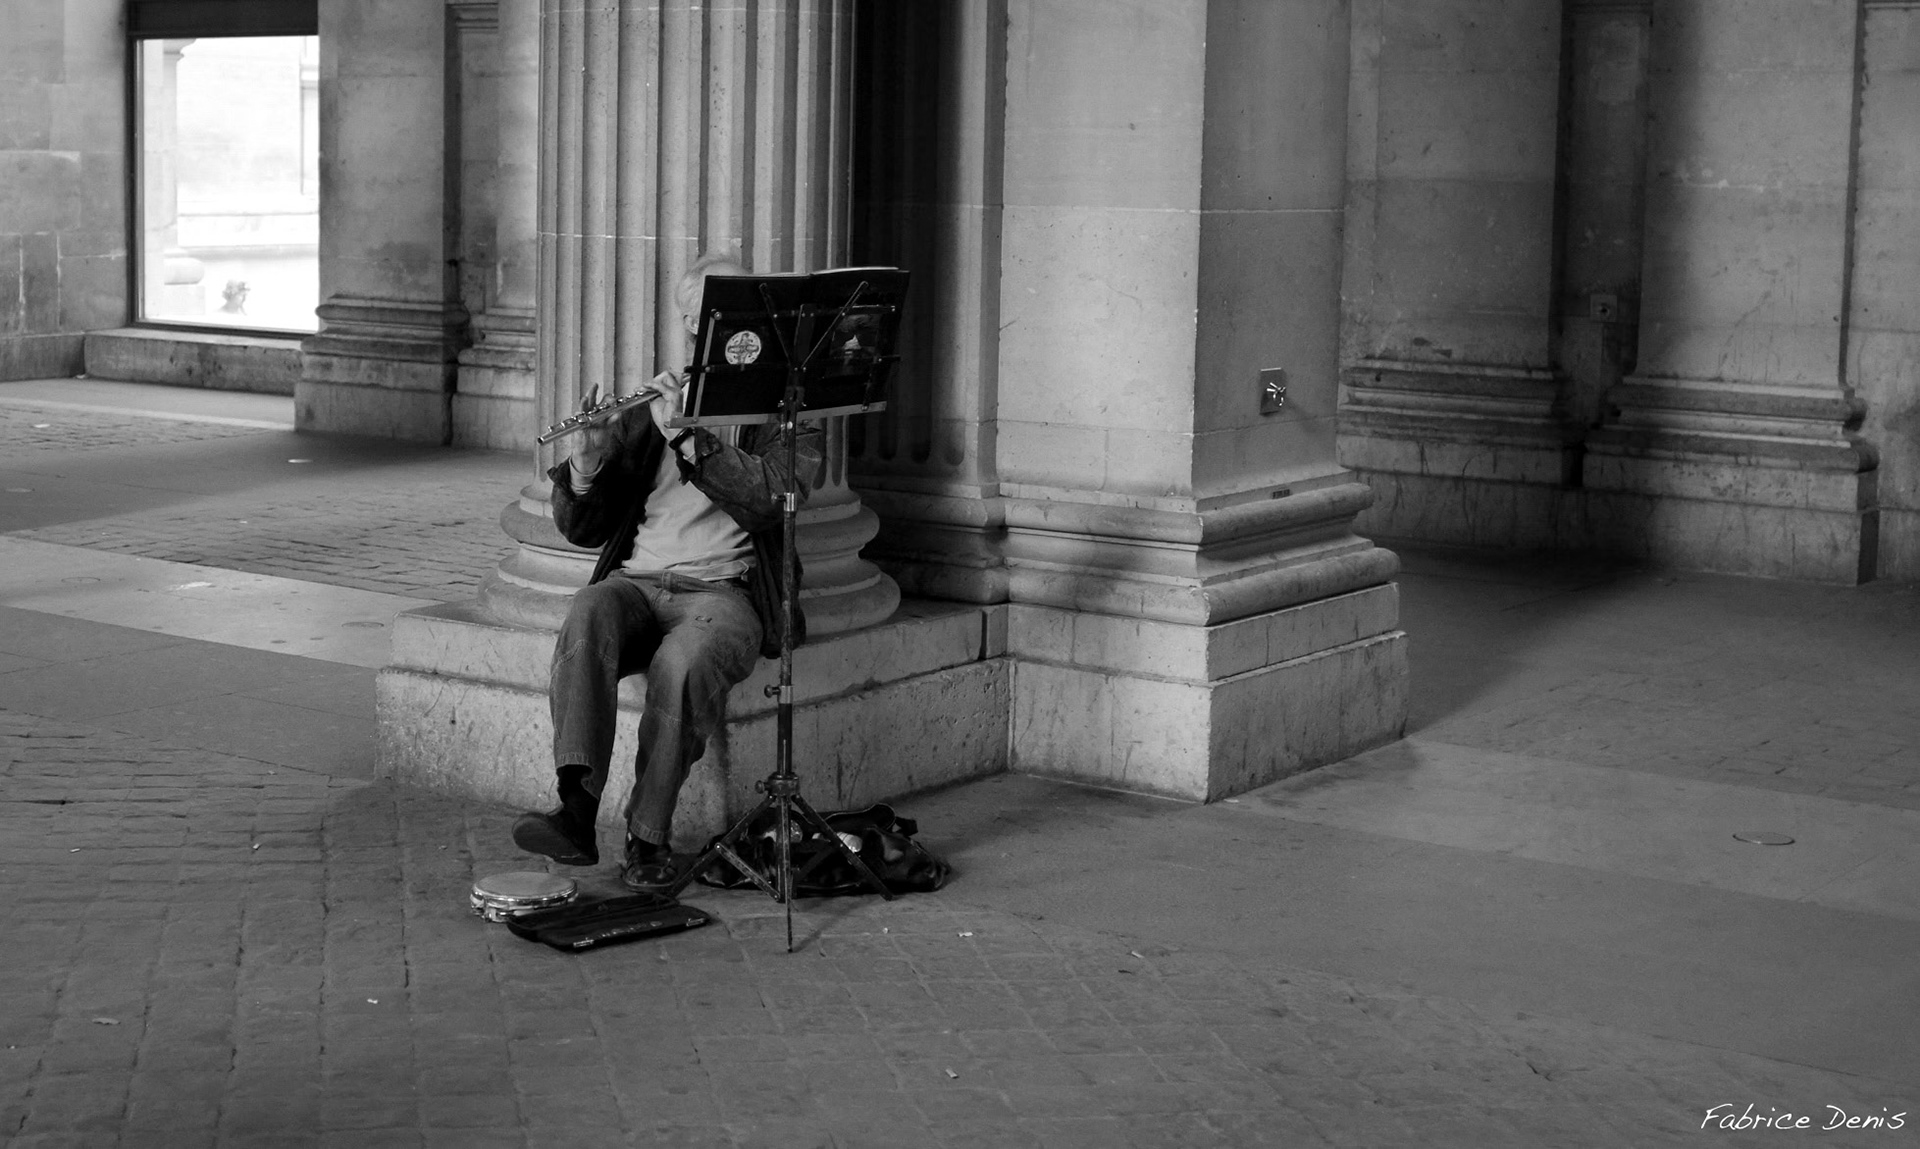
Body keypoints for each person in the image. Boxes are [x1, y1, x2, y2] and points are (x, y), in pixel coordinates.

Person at [512, 255, 822, 893]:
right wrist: (586, 465)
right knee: (589, 609)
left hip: (724, 592)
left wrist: (690, 437)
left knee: (682, 663)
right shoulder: (653, 405)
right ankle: (576, 812)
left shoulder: (785, 410)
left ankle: (647, 837)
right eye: (692, 319)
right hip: (639, 582)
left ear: (752, 324)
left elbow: (773, 497)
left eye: (718, 317)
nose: (702, 333)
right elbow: (584, 529)